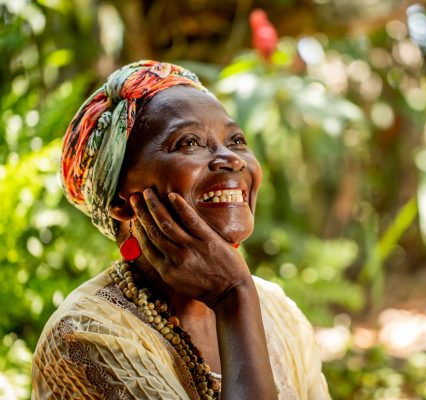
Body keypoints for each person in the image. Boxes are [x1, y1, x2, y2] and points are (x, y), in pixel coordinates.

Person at [31, 60, 330, 400]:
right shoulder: (86, 336)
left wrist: (240, 295)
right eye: (188, 143)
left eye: (236, 140)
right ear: (120, 202)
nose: (231, 159)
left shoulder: (278, 311)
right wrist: (233, 297)